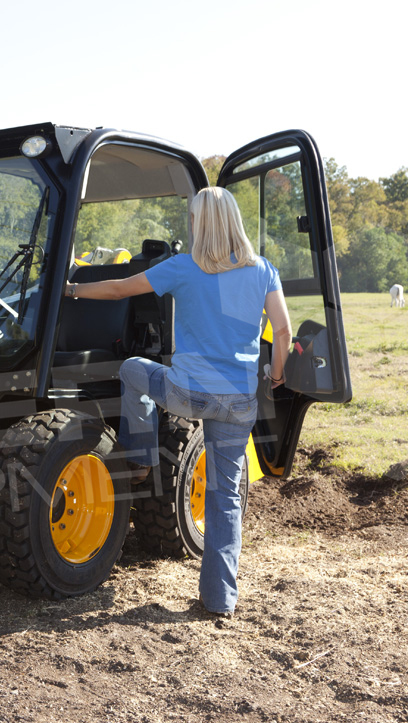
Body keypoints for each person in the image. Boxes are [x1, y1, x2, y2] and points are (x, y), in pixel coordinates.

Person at [63, 187, 293, 617]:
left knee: (133, 368)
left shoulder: (183, 268)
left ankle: (142, 456)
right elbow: (283, 332)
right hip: (239, 401)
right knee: (225, 497)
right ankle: (220, 600)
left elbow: (117, 290)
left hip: (188, 394)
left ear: (198, 223)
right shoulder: (264, 270)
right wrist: (277, 373)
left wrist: (72, 289)